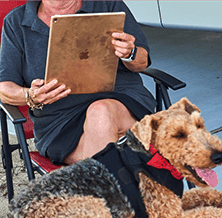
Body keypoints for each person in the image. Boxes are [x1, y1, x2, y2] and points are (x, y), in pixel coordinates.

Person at [0, 0, 156, 165]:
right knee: (112, 158)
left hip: (121, 104)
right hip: (60, 124)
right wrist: (30, 96)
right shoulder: (16, 22)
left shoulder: (107, 5)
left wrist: (129, 53)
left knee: (100, 113)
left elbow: (141, 62)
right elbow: (4, 87)